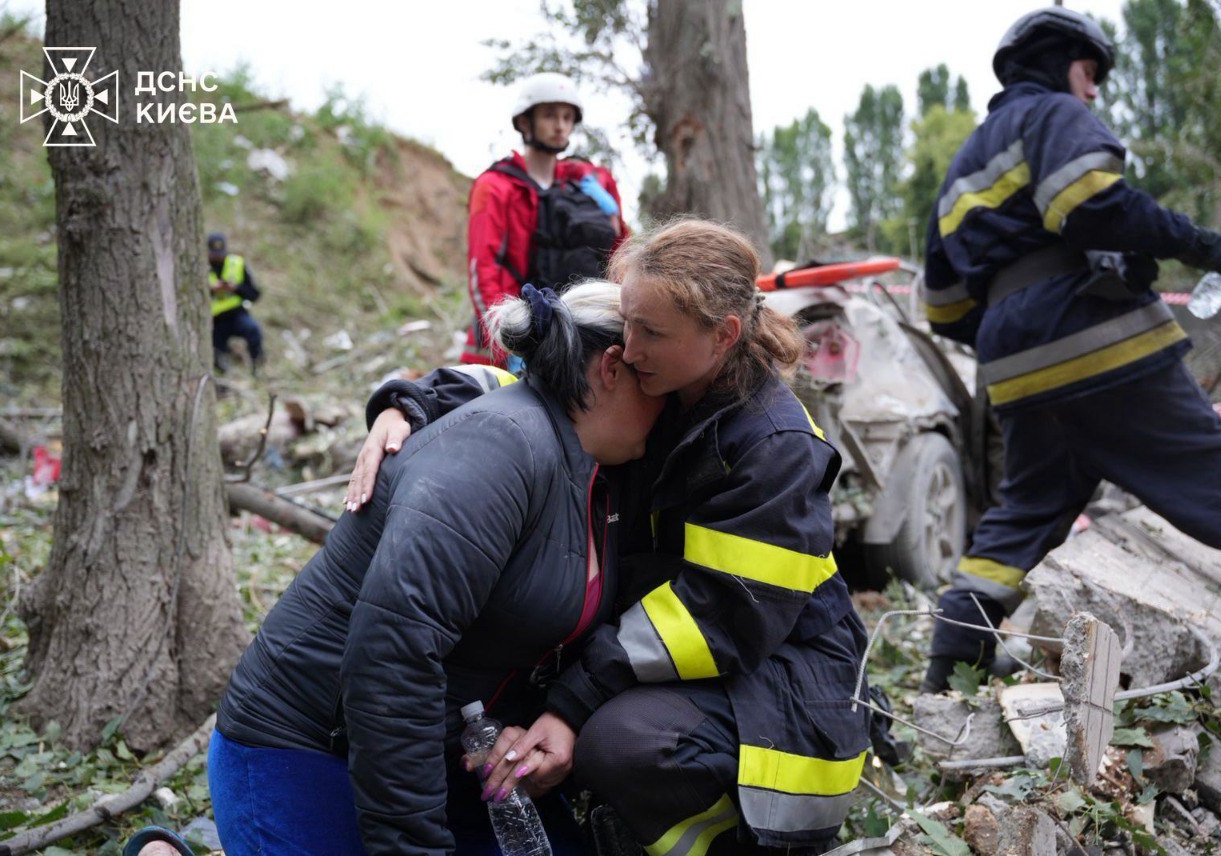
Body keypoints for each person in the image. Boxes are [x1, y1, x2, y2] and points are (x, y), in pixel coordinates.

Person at [351, 219, 872, 855]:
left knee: (620, 743)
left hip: (783, 684)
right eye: (628, 323)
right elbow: (540, 389)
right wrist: (409, 401)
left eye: (650, 332)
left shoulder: (773, 447)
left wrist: (569, 706)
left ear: (724, 335)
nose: (628, 347)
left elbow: (715, 618)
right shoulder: (670, 381)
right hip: (680, 662)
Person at [209, 281, 665, 854]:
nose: (669, 406)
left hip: (444, 750)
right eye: (658, 385)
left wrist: (554, 718)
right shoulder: (499, 451)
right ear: (611, 369)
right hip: (306, 746)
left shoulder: (600, 465)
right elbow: (392, 656)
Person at [920, 6, 1221, 692]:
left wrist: (1026, 319)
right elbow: (1091, 204)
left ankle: (948, 674)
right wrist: (1213, 247)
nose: (1094, 90)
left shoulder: (961, 168)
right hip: (1097, 338)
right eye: (1090, 71)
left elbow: (943, 307)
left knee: (1025, 512)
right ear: (1057, 63)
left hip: (1013, 364)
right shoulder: (1053, 113)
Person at [462, 72, 628, 368]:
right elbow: (484, 270)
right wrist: (508, 340)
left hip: (580, 336)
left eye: (567, 117)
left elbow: (618, 255)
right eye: (550, 115)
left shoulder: (589, 184)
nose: (561, 125)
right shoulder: (494, 187)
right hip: (515, 334)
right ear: (525, 122)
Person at [207, 231, 264, 373]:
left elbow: (254, 294)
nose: (218, 256)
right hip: (213, 320)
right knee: (216, 350)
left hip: (236, 314)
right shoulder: (199, 267)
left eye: (220, 253)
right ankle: (220, 375)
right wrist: (211, 289)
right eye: (214, 253)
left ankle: (257, 368)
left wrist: (235, 288)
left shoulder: (236, 263)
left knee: (253, 331)